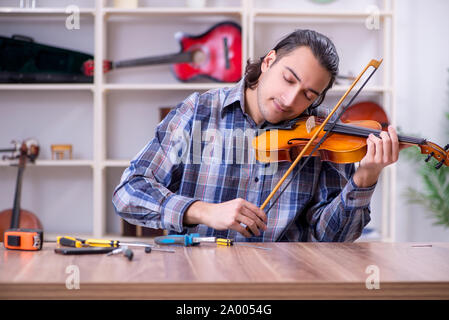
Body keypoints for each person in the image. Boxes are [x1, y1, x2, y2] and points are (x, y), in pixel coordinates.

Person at [112, 29, 403, 242]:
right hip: (198, 279)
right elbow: (128, 193)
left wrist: (364, 179)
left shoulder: (323, 134)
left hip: (285, 282)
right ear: (268, 62)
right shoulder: (198, 111)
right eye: (288, 79)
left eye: (308, 95)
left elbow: (333, 239)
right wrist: (201, 211)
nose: (290, 100)